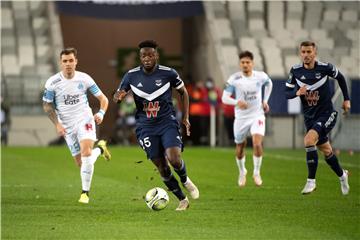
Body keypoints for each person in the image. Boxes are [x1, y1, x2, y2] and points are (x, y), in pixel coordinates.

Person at [113, 40, 199, 211]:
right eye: (144, 55)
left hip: (167, 122)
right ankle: (182, 200)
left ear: (156, 56)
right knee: (162, 167)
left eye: (150, 55)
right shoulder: (131, 75)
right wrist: (118, 96)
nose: (147, 58)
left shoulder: (169, 73)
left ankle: (185, 179)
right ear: (140, 57)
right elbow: (118, 93)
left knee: (174, 159)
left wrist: (186, 117)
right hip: (145, 127)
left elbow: (184, 92)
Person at [42, 47, 112, 204]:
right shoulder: (53, 82)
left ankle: (85, 193)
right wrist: (57, 123)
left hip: (85, 120)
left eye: (71, 60)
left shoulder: (85, 79)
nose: (68, 64)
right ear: (61, 63)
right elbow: (47, 105)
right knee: (81, 163)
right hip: (67, 126)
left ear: (76, 62)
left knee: (86, 153)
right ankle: (100, 149)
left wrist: (100, 113)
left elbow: (104, 99)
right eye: (65, 61)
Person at [285, 41, 351, 195]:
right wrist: (296, 93)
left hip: (327, 114)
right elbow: (287, 93)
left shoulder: (325, 68)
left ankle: (311, 181)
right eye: (303, 52)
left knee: (308, 140)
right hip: (310, 117)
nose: (306, 55)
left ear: (315, 52)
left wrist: (346, 99)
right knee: (326, 150)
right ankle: (343, 176)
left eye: (309, 52)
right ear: (300, 53)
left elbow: (340, 78)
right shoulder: (295, 71)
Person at [222, 51, 273, 187]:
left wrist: (265, 101)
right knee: (240, 147)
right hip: (241, 118)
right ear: (240, 64)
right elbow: (224, 98)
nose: (245, 64)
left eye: (248, 62)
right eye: (243, 62)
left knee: (257, 143)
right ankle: (242, 172)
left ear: (252, 63)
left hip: (257, 115)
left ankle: (256, 172)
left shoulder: (260, 76)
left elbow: (269, 84)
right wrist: (237, 102)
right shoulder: (234, 79)